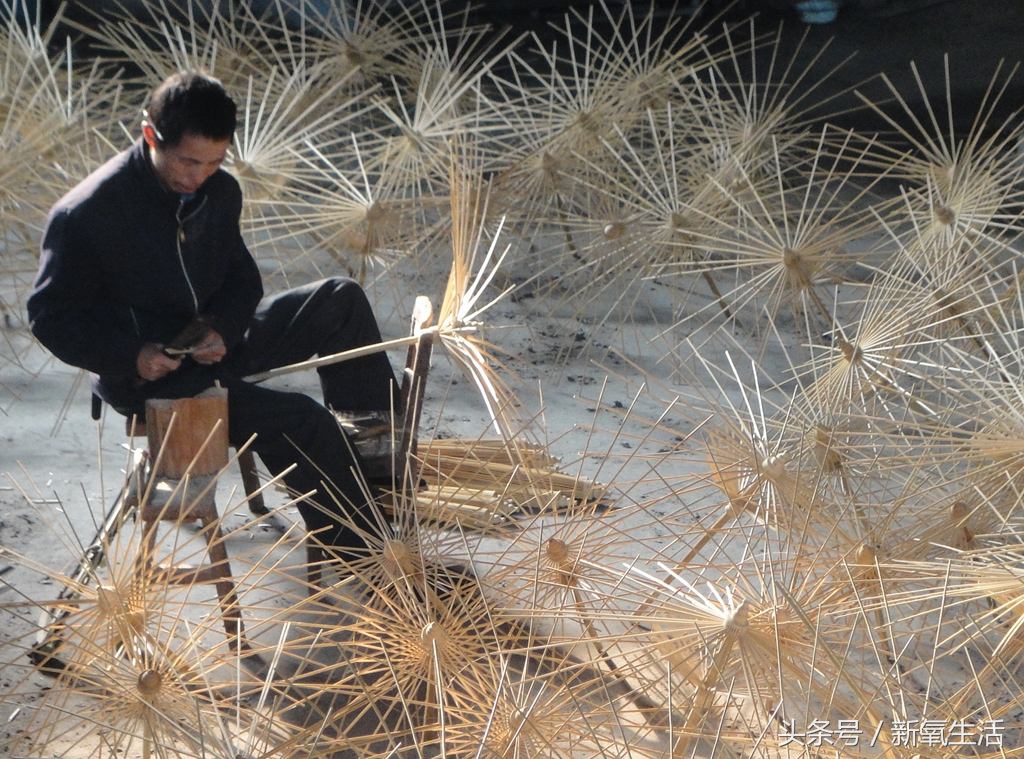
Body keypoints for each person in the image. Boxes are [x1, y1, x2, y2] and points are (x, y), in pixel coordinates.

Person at [27, 70, 398, 560]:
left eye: (213, 162)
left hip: (206, 344)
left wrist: (222, 327)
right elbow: (50, 316)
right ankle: (364, 556)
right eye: (186, 161)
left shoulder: (218, 192)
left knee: (338, 299)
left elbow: (241, 282)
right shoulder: (87, 214)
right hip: (153, 378)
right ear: (149, 135)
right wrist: (132, 355)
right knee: (302, 421)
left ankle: (380, 482)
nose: (197, 176)